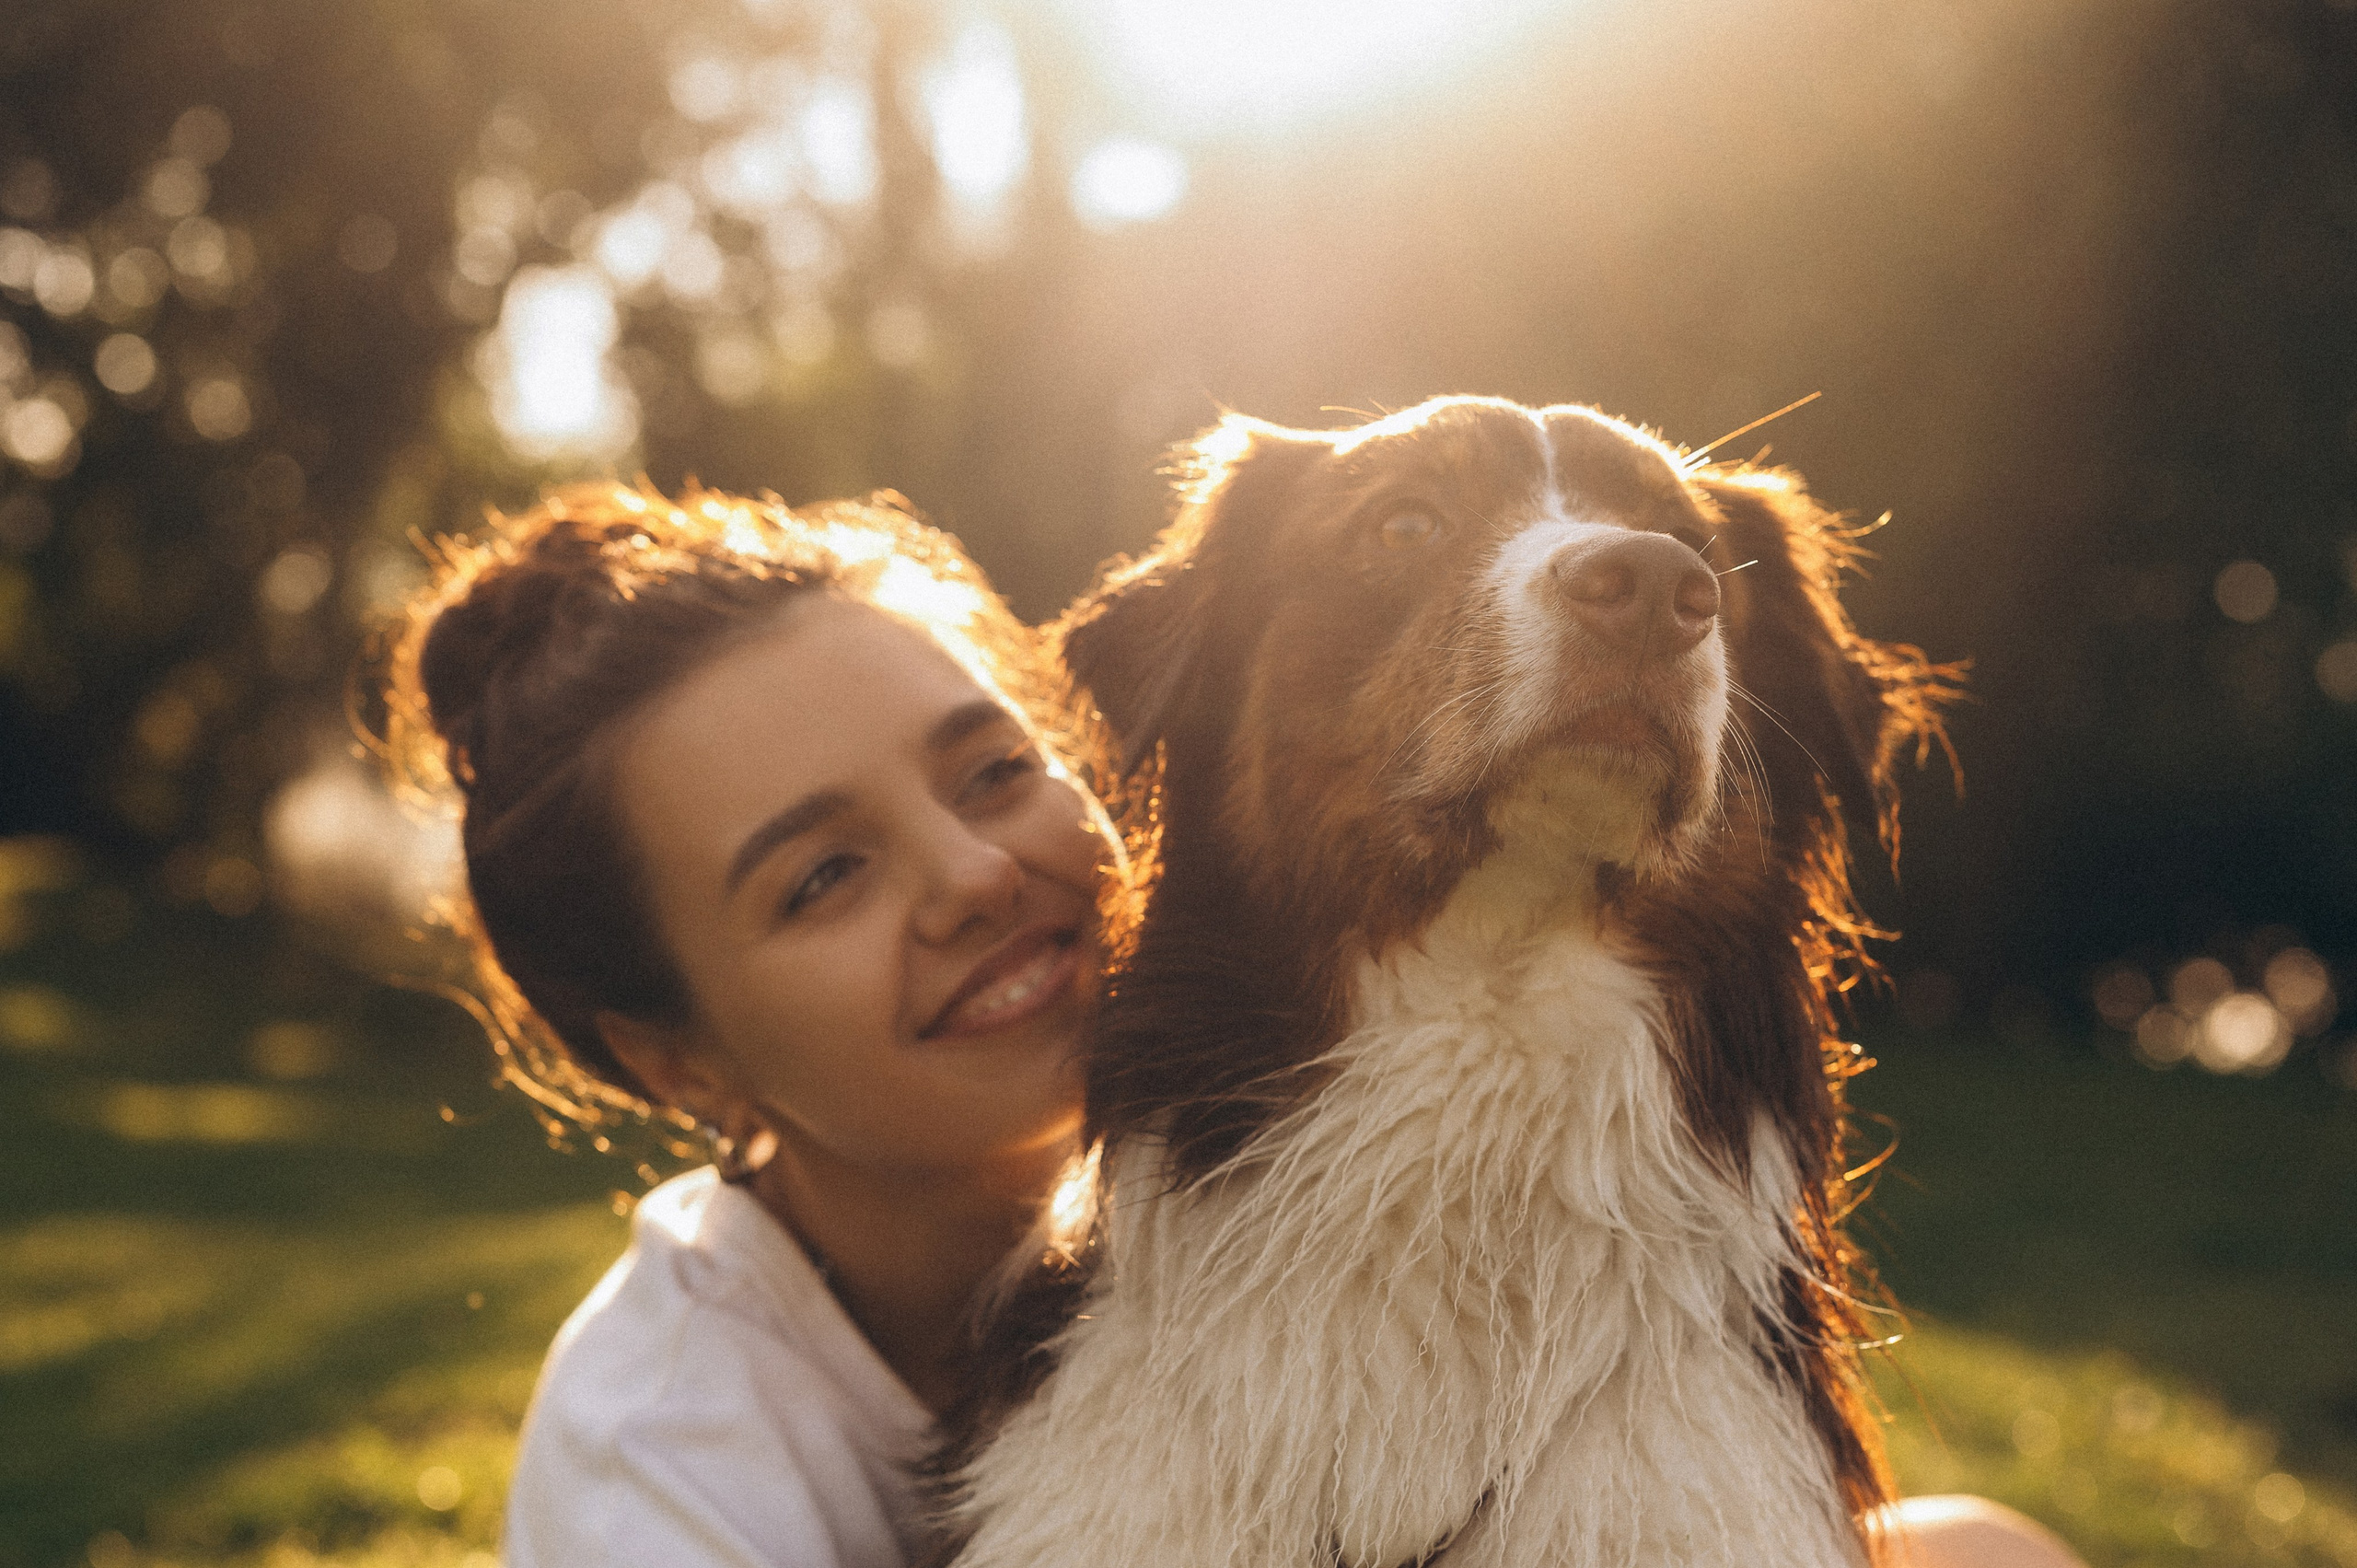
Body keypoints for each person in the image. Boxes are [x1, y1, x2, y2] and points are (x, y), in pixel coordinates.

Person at [389, 481, 2084, 1568]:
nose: (980, 875)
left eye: (994, 772)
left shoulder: (1246, 1188)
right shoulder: (665, 1465)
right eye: (821, 878)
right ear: (674, 1058)